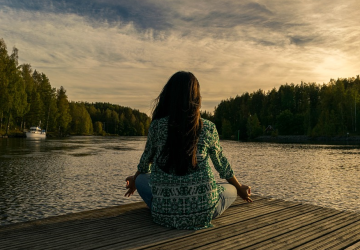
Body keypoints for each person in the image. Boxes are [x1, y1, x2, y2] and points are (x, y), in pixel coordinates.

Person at [125, 71, 252, 230]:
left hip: (163, 214)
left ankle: (165, 205)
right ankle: (223, 193)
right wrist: (240, 188)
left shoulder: (157, 126)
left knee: (142, 178)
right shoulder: (208, 127)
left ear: (169, 96)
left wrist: (135, 179)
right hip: (204, 212)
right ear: (196, 98)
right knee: (231, 189)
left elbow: (145, 163)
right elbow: (222, 166)